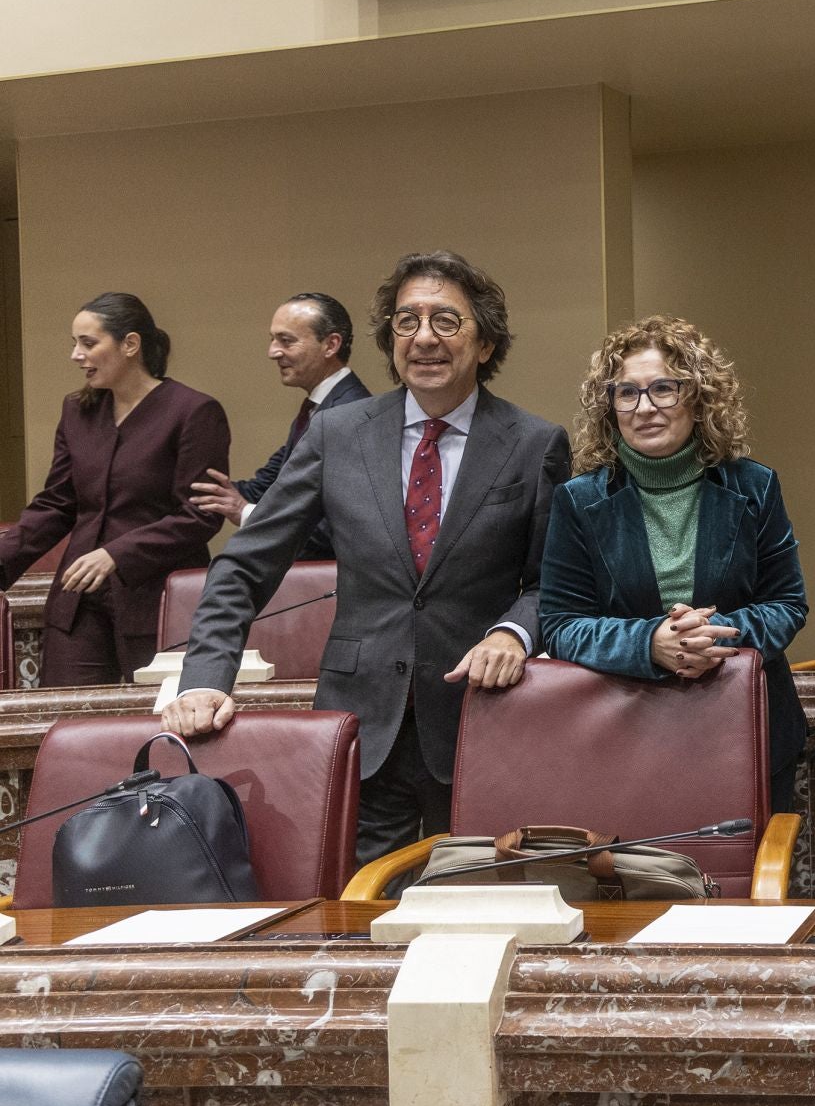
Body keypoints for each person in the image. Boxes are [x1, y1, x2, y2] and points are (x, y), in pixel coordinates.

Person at [161, 251, 571, 863]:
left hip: (477, 717)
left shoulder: (535, 443)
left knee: (470, 902)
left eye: (446, 321)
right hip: (358, 723)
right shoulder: (338, 433)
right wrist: (202, 679)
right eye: (407, 322)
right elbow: (245, 565)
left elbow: (553, 584)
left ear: (485, 343)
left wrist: (513, 633)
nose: (423, 338)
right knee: (358, 917)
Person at [540, 316, 808, 812]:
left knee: (752, 886)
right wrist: (650, 643)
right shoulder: (579, 501)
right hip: (625, 728)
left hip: (748, 724)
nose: (645, 408)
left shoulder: (754, 486)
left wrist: (712, 635)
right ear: (610, 406)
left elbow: (787, 604)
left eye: (664, 389)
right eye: (627, 393)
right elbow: (560, 625)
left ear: (699, 396)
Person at [0, 294, 230, 686]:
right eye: (74, 343)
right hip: (79, 601)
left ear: (130, 345)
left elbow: (199, 515)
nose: (76, 355)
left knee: (154, 725)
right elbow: (57, 504)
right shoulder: (78, 410)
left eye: (88, 343)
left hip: (159, 600)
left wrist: (115, 555)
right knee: (70, 723)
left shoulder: (193, 411)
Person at [189, 293, 374, 560]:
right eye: (273, 340)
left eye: (286, 341)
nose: (273, 352)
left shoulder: (351, 414)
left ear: (331, 345)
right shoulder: (318, 408)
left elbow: (335, 528)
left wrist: (244, 512)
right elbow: (267, 486)